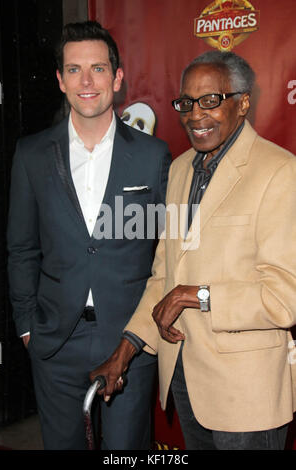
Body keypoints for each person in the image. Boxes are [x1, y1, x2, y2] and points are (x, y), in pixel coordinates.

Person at [90, 50, 296, 450]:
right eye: (187, 103)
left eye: (211, 101)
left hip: (247, 395)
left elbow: (286, 294)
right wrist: (125, 350)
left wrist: (197, 295)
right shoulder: (182, 168)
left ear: (244, 103)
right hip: (186, 379)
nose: (195, 115)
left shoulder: (279, 171)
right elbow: (165, 276)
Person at [7, 21, 171, 450]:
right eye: (74, 69)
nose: (86, 81)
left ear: (117, 77)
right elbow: (21, 247)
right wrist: (27, 327)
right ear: (60, 80)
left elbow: (167, 254)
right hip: (54, 340)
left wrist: (139, 338)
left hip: (128, 342)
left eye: (98, 68)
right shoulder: (31, 154)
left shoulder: (154, 156)